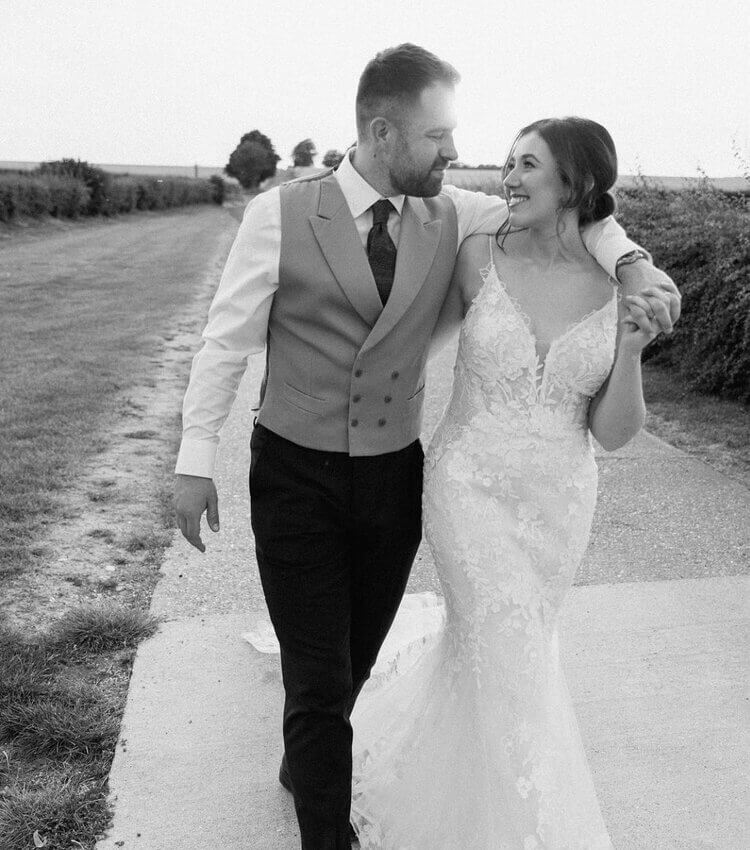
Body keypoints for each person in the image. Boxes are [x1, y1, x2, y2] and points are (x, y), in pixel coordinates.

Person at [173, 45, 680, 850]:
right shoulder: (279, 214)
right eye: (439, 136)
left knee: (356, 662)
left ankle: (312, 750)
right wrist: (195, 462)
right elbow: (223, 343)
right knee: (320, 679)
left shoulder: (457, 216)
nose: (455, 153)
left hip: (393, 477)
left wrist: (635, 262)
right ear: (382, 132)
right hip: (295, 472)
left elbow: (582, 210)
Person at [348, 117, 655, 848]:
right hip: (469, 487)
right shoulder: (479, 255)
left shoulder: (619, 284)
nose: (509, 178)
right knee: (505, 645)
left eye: (528, 165)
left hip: (559, 500)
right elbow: (415, 345)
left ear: (574, 183)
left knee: (510, 650)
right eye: (509, 162)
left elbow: (610, 432)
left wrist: (635, 347)